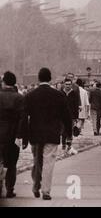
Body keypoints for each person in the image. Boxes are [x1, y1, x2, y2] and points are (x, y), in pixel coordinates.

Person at [22, 68, 73, 200]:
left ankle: (35, 185)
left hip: (35, 134)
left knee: (37, 161)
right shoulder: (59, 95)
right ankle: (46, 191)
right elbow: (67, 117)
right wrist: (69, 134)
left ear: (38, 78)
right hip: (52, 133)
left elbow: (24, 117)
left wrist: (24, 137)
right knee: (48, 162)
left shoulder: (30, 95)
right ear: (50, 79)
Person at [0, 71, 26, 198]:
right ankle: (10, 189)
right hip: (13, 135)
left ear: (3, 82)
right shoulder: (19, 98)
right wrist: (20, 136)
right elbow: (23, 119)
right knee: (11, 163)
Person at [61, 79, 79, 155]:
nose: (68, 86)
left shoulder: (74, 93)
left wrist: (76, 117)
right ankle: (63, 144)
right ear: (64, 84)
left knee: (70, 130)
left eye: (69, 84)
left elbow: (76, 105)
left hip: (71, 116)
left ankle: (69, 144)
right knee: (63, 130)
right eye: (66, 84)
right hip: (62, 115)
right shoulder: (61, 93)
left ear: (71, 85)